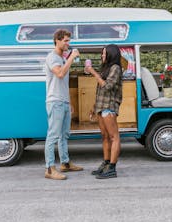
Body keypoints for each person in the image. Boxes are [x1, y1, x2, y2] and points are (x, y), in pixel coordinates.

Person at [44, 29, 83, 180]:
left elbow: (63, 84)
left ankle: (65, 163)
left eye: (69, 41)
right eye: (66, 40)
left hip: (63, 102)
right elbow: (59, 74)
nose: (68, 43)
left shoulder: (61, 58)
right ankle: (49, 169)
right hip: (55, 102)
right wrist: (72, 57)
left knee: (64, 135)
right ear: (57, 41)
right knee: (53, 135)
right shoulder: (52, 57)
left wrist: (69, 102)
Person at [85, 44, 123, 179]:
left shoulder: (116, 68)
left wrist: (93, 72)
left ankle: (112, 168)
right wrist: (94, 107)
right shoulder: (106, 68)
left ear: (111, 55)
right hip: (101, 107)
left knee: (114, 137)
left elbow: (107, 86)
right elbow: (100, 91)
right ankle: (106, 164)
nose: (102, 56)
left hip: (109, 107)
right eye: (102, 53)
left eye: (104, 53)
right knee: (105, 137)